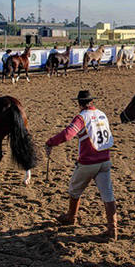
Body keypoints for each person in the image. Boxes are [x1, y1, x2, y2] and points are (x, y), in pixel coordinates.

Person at [45, 90, 117, 241]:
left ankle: (72, 217)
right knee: (108, 195)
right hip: (105, 159)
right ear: (92, 102)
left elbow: (67, 135)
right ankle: (113, 228)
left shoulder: (81, 117)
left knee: (74, 189)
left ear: (79, 103)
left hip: (88, 162)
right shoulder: (102, 113)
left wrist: (51, 142)